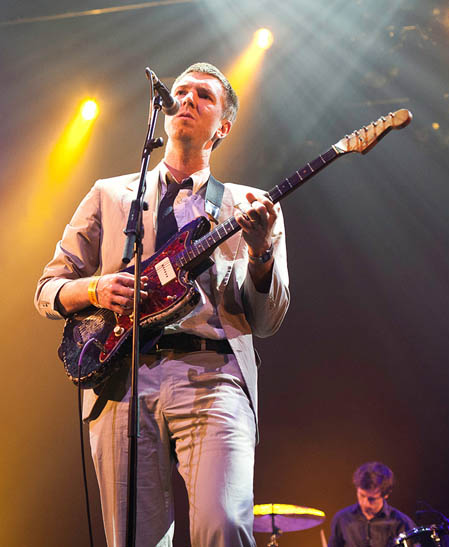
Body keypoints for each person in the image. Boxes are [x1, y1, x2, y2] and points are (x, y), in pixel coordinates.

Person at [35, 62, 289, 546]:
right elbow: (47, 289)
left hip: (212, 372)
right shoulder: (110, 195)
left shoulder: (248, 205)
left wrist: (259, 252)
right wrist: (94, 289)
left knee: (225, 524)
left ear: (224, 127)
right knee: (136, 539)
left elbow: (269, 317)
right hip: (123, 376)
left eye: (204, 96)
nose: (188, 100)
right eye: (182, 92)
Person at [329, 462, 415, 547]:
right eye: (362, 495)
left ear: (386, 494)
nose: (365, 503)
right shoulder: (342, 519)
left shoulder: (402, 522)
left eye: (372, 499)